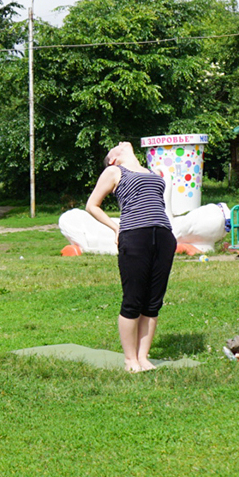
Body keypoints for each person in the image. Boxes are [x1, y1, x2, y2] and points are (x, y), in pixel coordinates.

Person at [84, 141, 176, 372]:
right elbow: (92, 205)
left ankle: (143, 357)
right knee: (133, 300)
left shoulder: (152, 172)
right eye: (115, 147)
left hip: (163, 236)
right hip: (135, 236)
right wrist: (115, 228)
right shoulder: (114, 171)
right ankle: (130, 360)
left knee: (153, 302)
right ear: (113, 158)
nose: (119, 143)